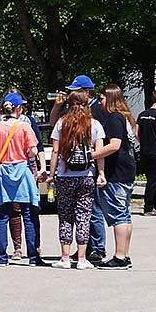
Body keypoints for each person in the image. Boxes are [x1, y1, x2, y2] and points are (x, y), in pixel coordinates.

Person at [46, 91, 106, 269]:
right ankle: (81, 259)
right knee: (84, 216)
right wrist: (101, 174)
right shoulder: (94, 124)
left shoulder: (61, 123)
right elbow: (99, 153)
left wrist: (52, 174)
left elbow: (55, 151)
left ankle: (65, 258)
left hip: (65, 176)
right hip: (87, 176)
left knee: (65, 216)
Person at [0, 94, 40, 266]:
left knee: (2, 215)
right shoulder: (24, 127)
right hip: (22, 171)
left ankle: (2, 257)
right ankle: (33, 257)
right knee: (28, 214)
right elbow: (33, 151)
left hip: (3, 171)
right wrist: (24, 153)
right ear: (19, 109)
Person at [93, 86, 137, 269]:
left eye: (102, 98)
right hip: (127, 171)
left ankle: (119, 257)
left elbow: (114, 145)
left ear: (110, 99)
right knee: (124, 214)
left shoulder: (114, 118)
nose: (99, 102)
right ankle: (124, 255)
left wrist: (92, 155)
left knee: (118, 215)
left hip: (117, 173)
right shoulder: (124, 117)